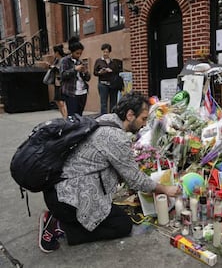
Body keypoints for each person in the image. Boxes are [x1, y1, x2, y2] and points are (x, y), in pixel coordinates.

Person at [38, 91, 181, 253]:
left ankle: (62, 219)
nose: (144, 124)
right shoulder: (115, 137)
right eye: (143, 118)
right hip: (67, 199)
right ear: (129, 115)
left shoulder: (104, 120)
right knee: (122, 225)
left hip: (59, 189)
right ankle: (58, 226)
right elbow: (135, 179)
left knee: (112, 212)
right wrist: (165, 189)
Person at [60, 36, 90, 116]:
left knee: (80, 115)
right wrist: (75, 69)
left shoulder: (80, 61)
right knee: (72, 116)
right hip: (71, 92)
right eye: (77, 53)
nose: (79, 55)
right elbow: (63, 75)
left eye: (80, 53)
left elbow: (88, 78)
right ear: (72, 52)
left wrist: (85, 72)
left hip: (83, 92)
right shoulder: (65, 61)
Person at [93, 43, 122, 114]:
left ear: (109, 52)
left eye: (107, 52)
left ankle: (112, 116)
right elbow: (95, 72)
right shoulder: (98, 61)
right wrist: (101, 72)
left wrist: (111, 70)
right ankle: (104, 117)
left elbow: (117, 71)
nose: (105, 53)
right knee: (103, 103)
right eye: (104, 52)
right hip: (103, 84)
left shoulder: (113, 61)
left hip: (112, 84)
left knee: (113, 102)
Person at [51, 44, 68, 118]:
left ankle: (66, 117)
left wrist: (53, 67)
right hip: (56, 82)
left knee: (62, 102)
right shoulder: (56, 60)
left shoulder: (64, 60)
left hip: (62, 83)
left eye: (54, 52)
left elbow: (62, 70)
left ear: (57, 52)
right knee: (57, 100)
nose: (54, 54)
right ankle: (64, 116)